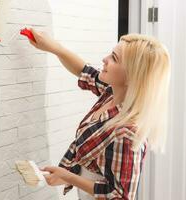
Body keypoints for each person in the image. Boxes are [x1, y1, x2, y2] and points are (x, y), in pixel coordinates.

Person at [28, 29, 171, 200]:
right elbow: (84, 71)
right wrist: (53, 47)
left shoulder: (127, 132)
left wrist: (67, 176)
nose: (105, 59)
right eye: (111, 53)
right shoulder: (111, 95)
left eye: (114, 58)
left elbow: (119, 195)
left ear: (132, 76)